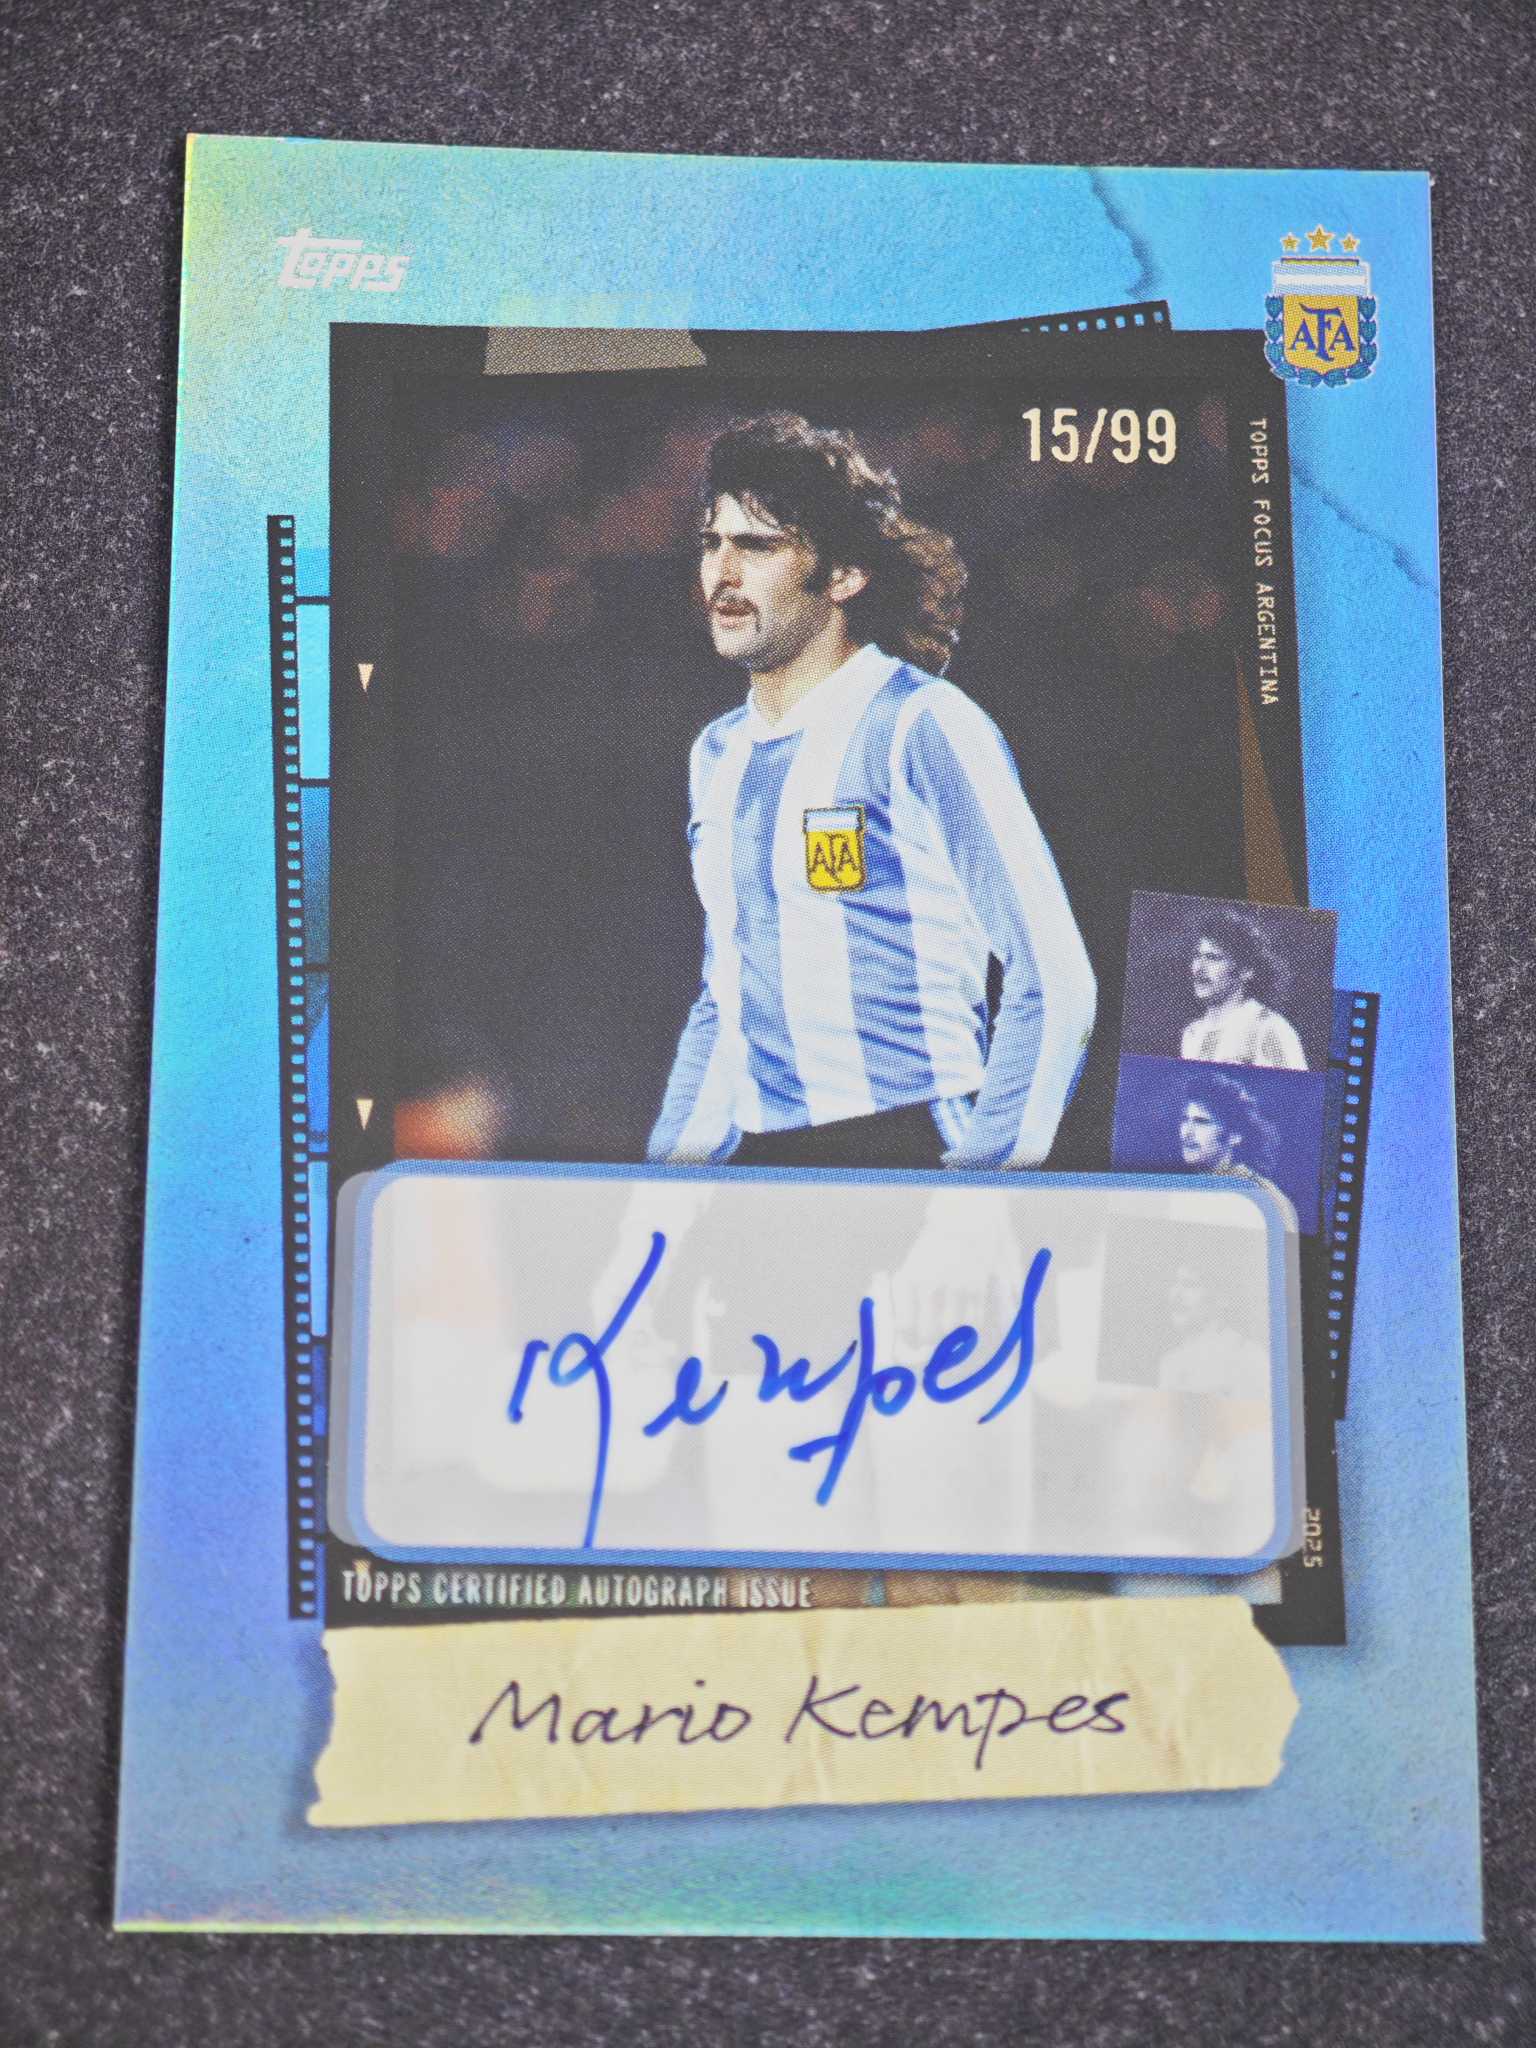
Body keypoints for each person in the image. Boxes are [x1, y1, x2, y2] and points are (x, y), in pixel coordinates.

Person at [646, 412, 1096, 1172]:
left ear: (845, 575)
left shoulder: (922, 724)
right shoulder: (716, 754)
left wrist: (989, 1186)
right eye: (711, 543)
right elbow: (724, 998)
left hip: (908, 1143)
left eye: (758, 546)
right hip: (761, 1167)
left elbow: (1054, 981)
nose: (722, 572)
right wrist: (658, 1188)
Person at [1181, 905, 1307, 1069]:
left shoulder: (1270, 1028)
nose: (1198, 968)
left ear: (1246, 970)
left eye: (1213, 958)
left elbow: (1296, 1085)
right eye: (1197, 956)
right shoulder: (1192, 1033)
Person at [1177, 1072, 1279, 1180]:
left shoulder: (1253, 1186)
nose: (1187, 1132)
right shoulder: (1181, 1182)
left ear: (1234, 1136)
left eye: (1201, 1122)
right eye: (1185, 1120)